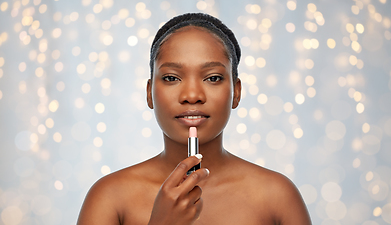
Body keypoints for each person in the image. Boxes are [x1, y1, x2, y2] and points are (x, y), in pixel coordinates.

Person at [77, 13, 312, 225]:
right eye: (171, 78)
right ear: (149, 93)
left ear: (236, 92)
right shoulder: (110, 197)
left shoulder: (277, 197)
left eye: (212, 78)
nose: (192, 96)